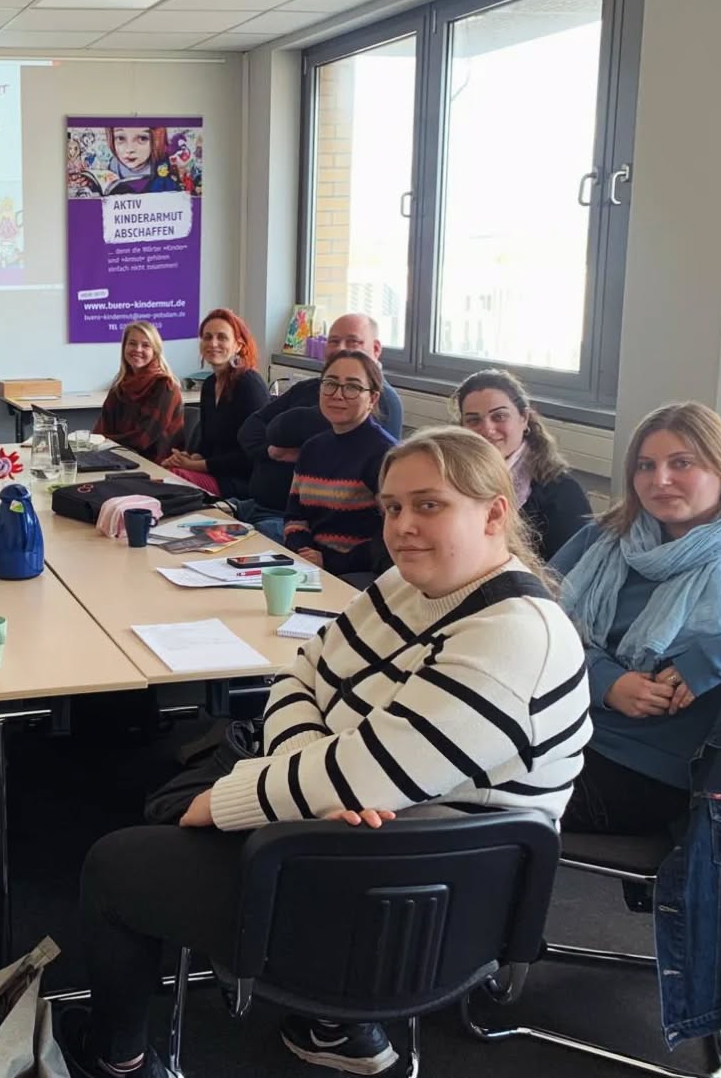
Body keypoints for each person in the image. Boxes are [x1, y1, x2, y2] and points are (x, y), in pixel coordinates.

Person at [60, 426, 590, 1078]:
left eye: (429, 504)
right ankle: (334, 1023)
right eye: (392, 506)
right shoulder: (406, 585)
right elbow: (299, 671)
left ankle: (119, 1058)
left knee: (114, 865)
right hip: (353, 842)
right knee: (147, 784)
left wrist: (240, 799)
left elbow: (357, 775)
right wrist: (317, 787)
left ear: (494, 512)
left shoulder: (515, 637)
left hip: (414, 902)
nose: (403, 525)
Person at [552, 401, 721, 835]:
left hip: (660, 772)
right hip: (561, 731)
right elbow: (535, 633)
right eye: (646, 466)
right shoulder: (602, 539)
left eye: (681, 463)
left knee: (479, 797)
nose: (660, 480)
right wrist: (605, 680)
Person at [237, 314, 404, 519]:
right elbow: (249, 429)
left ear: (376, 349)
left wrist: (284, 438)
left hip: (295, 523)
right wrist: (272, 451)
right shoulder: (306, 388)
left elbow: (284, 431)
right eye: (333, 341)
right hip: (255, 506)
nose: (341, 348)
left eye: (352, 341)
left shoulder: (379, 400)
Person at [452, 369, 591, 560]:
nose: (487, 429)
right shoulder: (447, 477)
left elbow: (567, 576)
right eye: (473, 420)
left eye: (499, 417)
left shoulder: (562, 492)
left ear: (524, 418)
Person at [283, 350, 397, 579]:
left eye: (353, 387)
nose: (338, 394)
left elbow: (392, 536)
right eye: (330, 384)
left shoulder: (386, 455)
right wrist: (303, 552)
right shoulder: (312, 448)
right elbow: (294, 516)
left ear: (372, 398)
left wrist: (331, 561)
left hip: (357, 571)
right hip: (308, 563)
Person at [162, 308, 268, 498]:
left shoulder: (249, 384)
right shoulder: (210, 385)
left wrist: (194, 466)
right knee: (166, 469)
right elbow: (207, 445)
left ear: (238, 345)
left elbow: (250, 455)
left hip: (243, 481)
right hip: (216, 473)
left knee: (172, 479)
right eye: (207, 337)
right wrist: (188, 458)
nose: (213, 343)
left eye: (222, 337)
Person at [94, 321, 185, 464]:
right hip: (120, 458)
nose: (138, 349)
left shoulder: (165, 386)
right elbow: (101, 428)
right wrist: (93, 442)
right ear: (124, 347)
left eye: (146, 345)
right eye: (132, 343)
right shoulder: (120, 385)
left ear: (155, 351)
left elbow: (142, 439)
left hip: (155, 465)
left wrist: (102, 441)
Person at [104, 126, 182, 195]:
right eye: (121, 138)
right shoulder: (113, 165)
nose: (129, 149)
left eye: (142, 139)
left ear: (156, 139)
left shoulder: (160, 166)